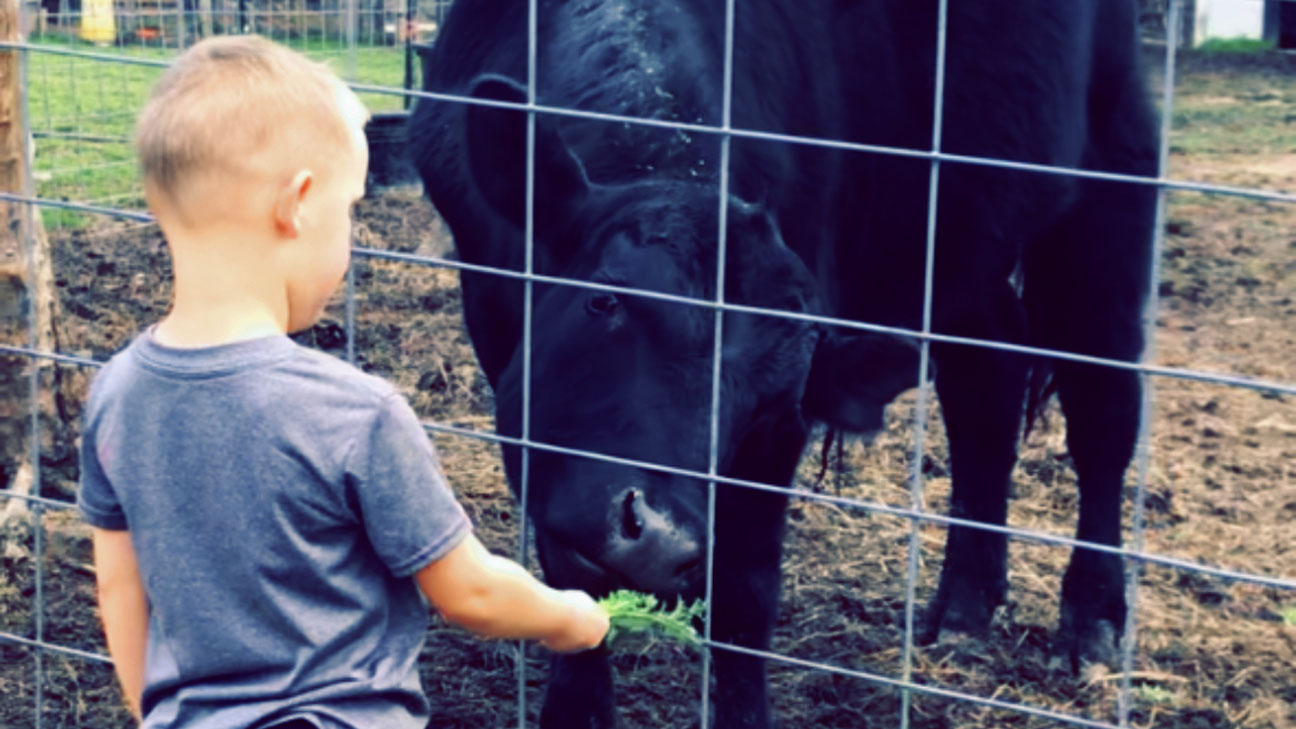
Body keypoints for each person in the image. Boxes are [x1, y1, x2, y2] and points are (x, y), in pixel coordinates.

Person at [77, 35, 608, 729]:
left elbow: (120, 582)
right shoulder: (354, 414)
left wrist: (153, 711)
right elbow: (470, 592)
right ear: (296, 204)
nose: (351, 236)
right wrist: (573, 615)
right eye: (350, 208)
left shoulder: (115, 393)